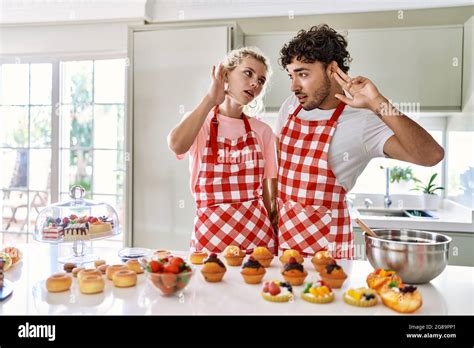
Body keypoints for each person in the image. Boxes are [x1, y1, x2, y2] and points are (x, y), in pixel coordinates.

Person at [275, 24, 444, 258]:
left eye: (303, 74)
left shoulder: (363, 121)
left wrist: (377, 102)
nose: (294, 86)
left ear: (332, 69)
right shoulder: (291, 106)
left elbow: (431, 155)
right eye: (291, 75)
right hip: (282, 245)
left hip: (328, 252)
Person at [168, 47, 278, 254]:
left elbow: (268, 193)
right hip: (211, 235)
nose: (255, 83)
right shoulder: (201, 121)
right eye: (248, 73)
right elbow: (177, 145)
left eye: (261, 80)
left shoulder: (263, 131)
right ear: (226, 74)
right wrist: (211, 99)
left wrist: (274, 226)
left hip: (257, 235)